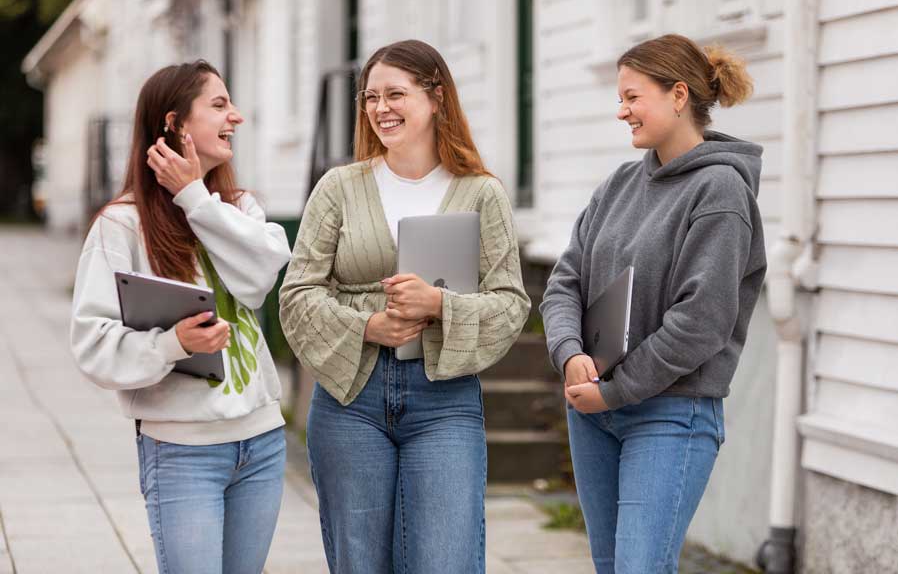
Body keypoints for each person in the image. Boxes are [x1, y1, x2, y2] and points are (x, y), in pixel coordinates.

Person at [279, 39, 530, 574]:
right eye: (370, 97)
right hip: (351, 399)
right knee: (360, 562)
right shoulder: (339, 188)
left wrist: (440, 303)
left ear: (436, 97)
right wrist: (367, 325)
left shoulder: (481, 193)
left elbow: (511, 304)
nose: (380, 109)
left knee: (445, 560)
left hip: (444, 401)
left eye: (396, 94)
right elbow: (297, 294)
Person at [540, 34, 768, 573]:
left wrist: (616, 390)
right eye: (620, 98)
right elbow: (564, 282)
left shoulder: (720, 191)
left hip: (670, 413)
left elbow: (701, 322)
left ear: (679, 95)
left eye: (632, 97)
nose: (621, 112)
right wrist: (570, 353)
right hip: (594, 413)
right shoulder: (618, 185)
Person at [70, 60, 292, 574]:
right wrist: (173, 345)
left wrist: (194, 197)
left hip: (260, 442)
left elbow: (259, 281)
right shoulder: (121, 225)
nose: (235, 116)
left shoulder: (241, 210)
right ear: (175, 124)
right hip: (182, 450)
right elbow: (92, 344)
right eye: (218, 105)